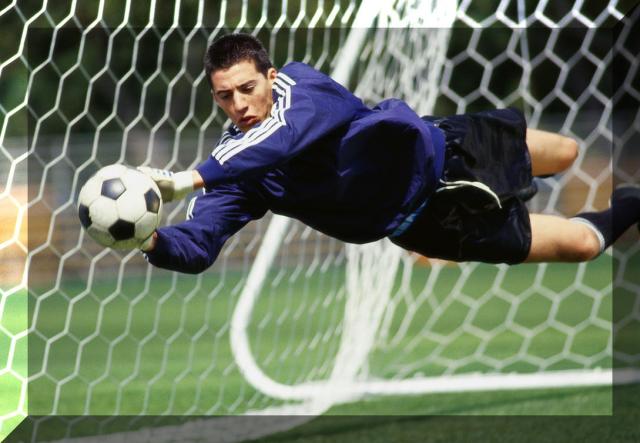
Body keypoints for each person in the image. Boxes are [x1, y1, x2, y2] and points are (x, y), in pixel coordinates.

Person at [137, 33, 639, 274]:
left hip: (448, 151)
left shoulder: (300, 87)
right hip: (426, 224)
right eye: (225, 96)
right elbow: (199, 245)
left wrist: (185, 180)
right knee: (582, 245)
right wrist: (147, 237)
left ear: (270, 77)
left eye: (247, 88)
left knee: (567, 152)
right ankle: (633, 202)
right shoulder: (234, 166)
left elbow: (283, 139)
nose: (240, 105)